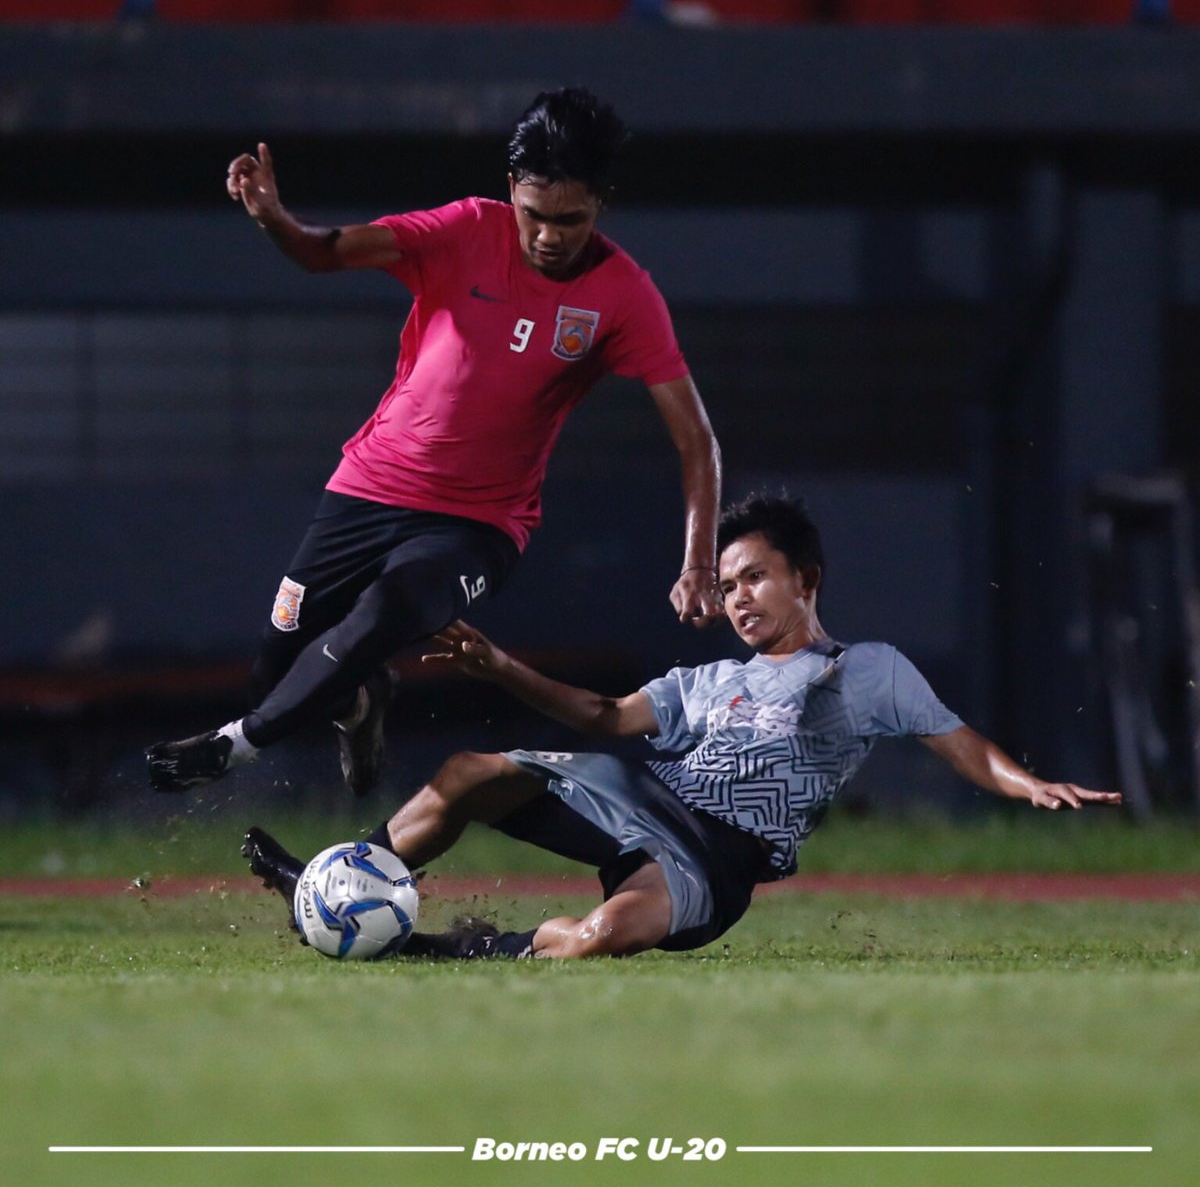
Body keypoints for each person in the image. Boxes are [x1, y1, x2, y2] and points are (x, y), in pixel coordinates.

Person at [146, 86, 723, 798]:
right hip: (368, 484)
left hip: (478, 523)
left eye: (568, 219)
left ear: (601, 201)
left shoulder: (624, 295)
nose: (547, 235)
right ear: (511, 189)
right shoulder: (463, 230)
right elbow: (325, 253)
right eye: (534, 214)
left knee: (390, 610)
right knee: (282, 666)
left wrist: (699, 564)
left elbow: (696, 438)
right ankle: (361, 703)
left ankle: (236, 745)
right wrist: (274, 221)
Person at [242, 494, 1122, 960]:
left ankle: (419, 949)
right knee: (472, 770)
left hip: (715, 858)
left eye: (755, 579)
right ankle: (339, 886)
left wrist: (1024, 781)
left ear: (807, 578)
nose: (737, 598)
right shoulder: (710, 678)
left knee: (592, 942)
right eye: (727, 584)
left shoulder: (866, 672)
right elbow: (604, 716)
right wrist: (499, 667)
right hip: (643, 798)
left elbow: (954, 738)